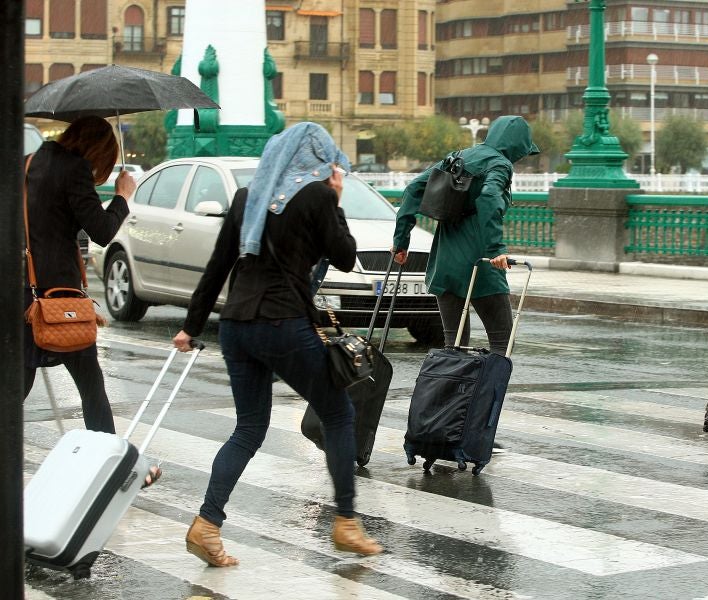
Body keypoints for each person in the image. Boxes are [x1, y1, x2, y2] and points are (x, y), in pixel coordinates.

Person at [172, 122, 382, 568]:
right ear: (318, 160)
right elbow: (345, 256)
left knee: (248, 428)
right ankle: (346, 521)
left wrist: (192, 327)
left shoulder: (248, 198)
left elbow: (217, 266)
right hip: (284, 323)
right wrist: (336, 199)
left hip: (236, 325)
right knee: (339, 414)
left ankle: (207, 524)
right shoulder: (319, 196)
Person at [22, 116, 162, 487]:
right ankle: (113, 469)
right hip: (58, 297)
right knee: (90, 383)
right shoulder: (74, 169)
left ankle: (111, 465)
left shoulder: (30, 163)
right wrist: (122, 196)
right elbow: (101, 231)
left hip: (24, 290)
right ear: (96, 149)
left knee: (16, 384)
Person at [391, 115, 539, 453]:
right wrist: (496, 249)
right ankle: (477, 430)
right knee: (501, 347)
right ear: (515, 146)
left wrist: (401, 239)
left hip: (445, 267)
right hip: (481, 269)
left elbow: (414, 188)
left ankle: (445, 427)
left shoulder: (460, 156)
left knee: (453, 349)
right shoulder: (500, 164)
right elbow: (489, 199)